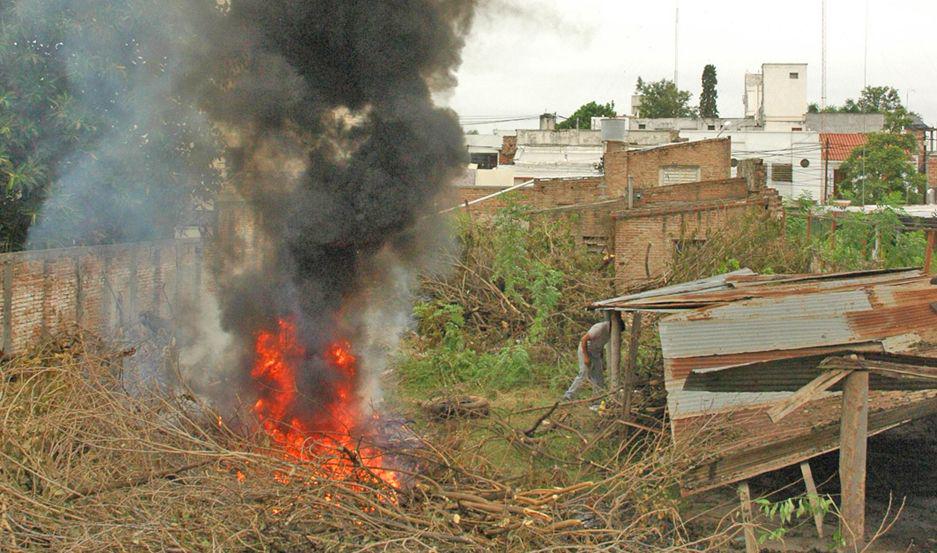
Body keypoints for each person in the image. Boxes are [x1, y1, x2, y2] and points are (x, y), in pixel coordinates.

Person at [562, 320, 610, 401]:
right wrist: (586, 357)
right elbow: (584, 340)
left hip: (596, 352)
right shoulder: (600, 328)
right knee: (584, 372)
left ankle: (597, 399)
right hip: (586, 350)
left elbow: (601, 345)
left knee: (598, 376)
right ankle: (569, 395)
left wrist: (601, 359)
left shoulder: (611, 333)